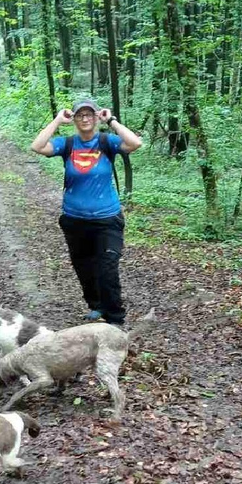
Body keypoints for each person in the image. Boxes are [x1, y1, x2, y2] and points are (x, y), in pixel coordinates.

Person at [30, 99, 142, 325]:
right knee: (84, 267)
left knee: (107, 267)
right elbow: (38, 146)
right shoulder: (68, 144)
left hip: (107, 219)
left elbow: (135, 143)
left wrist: (110, 120)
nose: (84, 119)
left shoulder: (106, 142)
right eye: (80, 115)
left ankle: (115, 320)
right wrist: (57, 120)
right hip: (74, 220)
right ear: (74, 119)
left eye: (89, 114)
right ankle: (96, 305)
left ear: (95, 117)